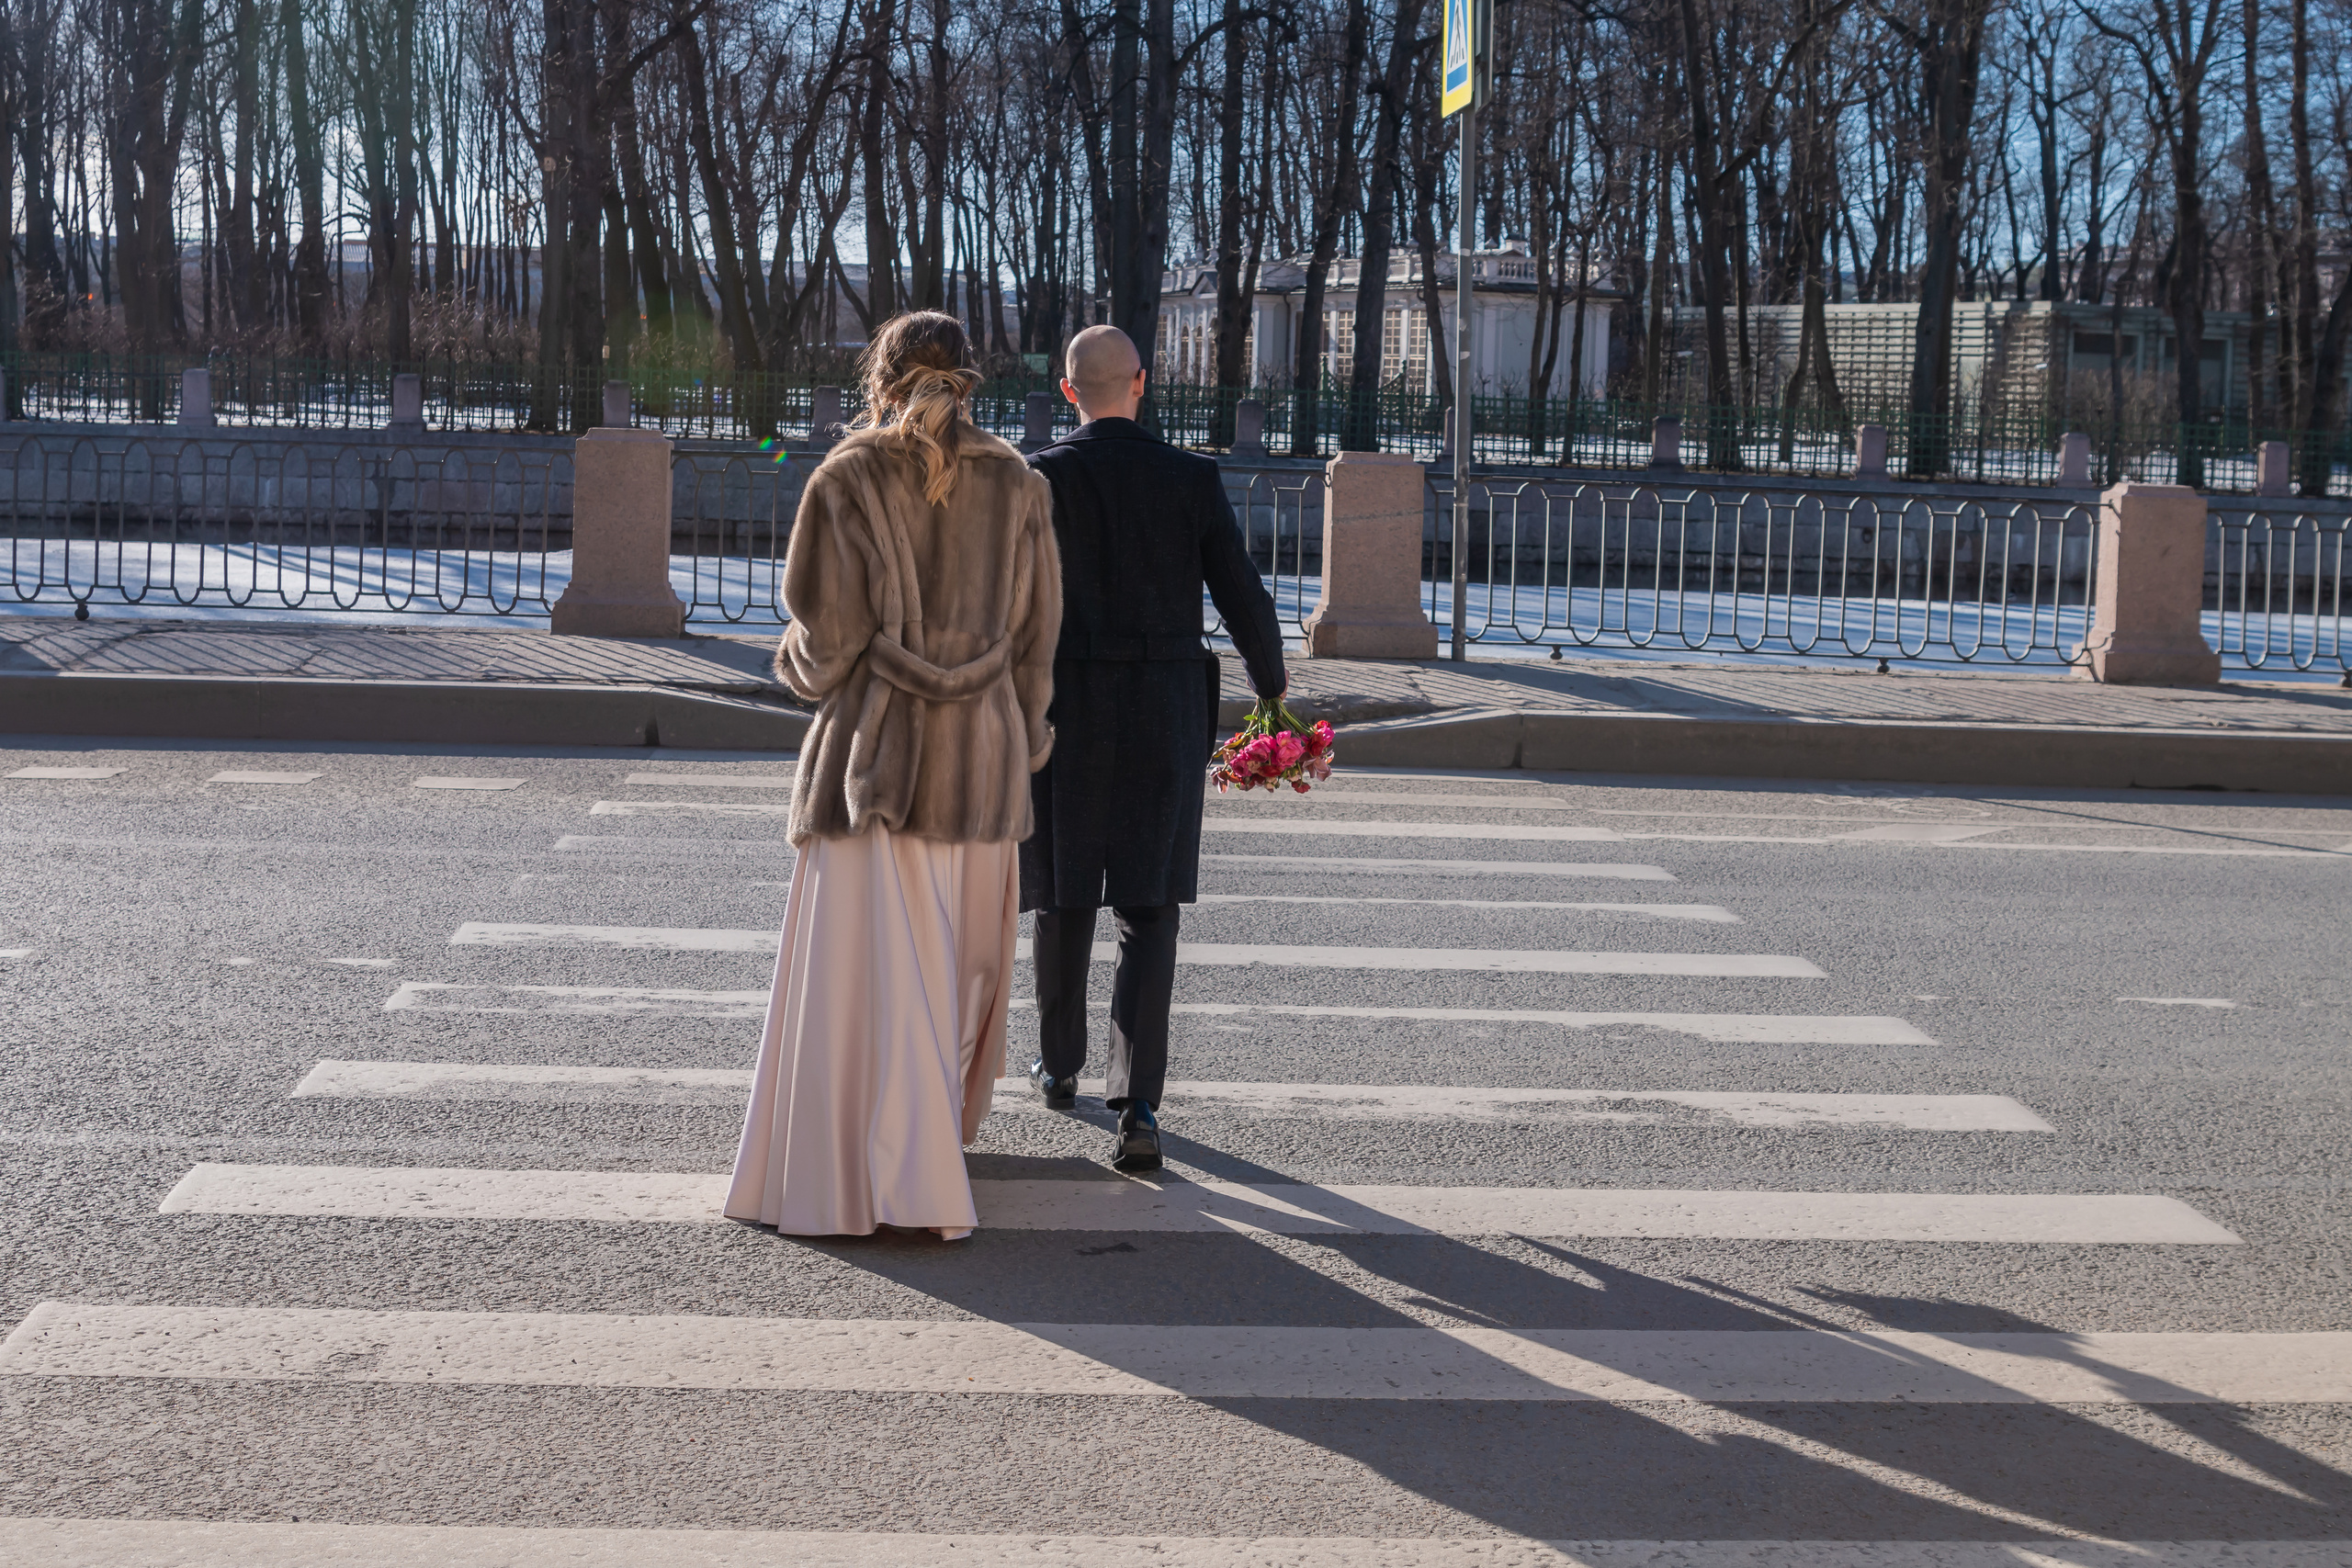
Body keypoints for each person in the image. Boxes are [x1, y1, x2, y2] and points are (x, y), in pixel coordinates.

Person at [724, 311, 1062, 1241]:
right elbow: (1038, 641)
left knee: (868, 980)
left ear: (882, 377)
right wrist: (1023, 732)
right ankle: (930, 1163)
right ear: (968, 380)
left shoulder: (848, 476)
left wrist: (797, 664)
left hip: (881, 757)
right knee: (953, 974)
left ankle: (857, 1177)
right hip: (982, 759)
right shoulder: (1017, 480)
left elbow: (823, 642)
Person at [1021, 325, 1288, 1172]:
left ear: (1068, 392)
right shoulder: (1192, 477)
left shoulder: (1038, 478)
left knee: (1061, 892)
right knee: (1148, 907)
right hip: (1162, 707)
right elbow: (1241, 592)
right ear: (1142, 383)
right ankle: (1137, 1103)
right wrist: (1272, 688)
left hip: (1062, 704)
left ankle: (1059, 1068)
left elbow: (1007, 603)